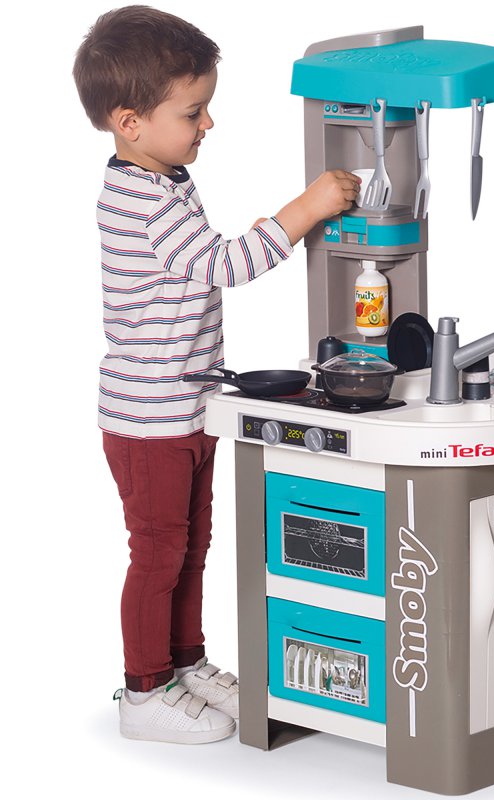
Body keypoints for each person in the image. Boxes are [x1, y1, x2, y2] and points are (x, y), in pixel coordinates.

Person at [73, 5, 360, 744]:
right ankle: (144, 692)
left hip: (187, 408)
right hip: (149, 420)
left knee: (191, 548)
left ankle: (184, 663)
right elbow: (224, 265)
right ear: (130, 122)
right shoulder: (142, 199)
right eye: (192, 112)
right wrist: (304, 210)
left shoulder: (166, 179)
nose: (208, 123)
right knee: (158, 554)